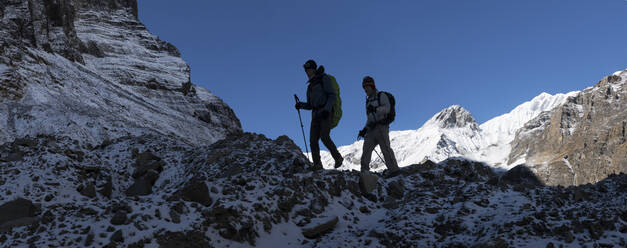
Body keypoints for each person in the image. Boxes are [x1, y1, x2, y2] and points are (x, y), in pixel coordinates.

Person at [295, 59, 343, 170]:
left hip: (326, 112)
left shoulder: (323, 79)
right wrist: (300, 105)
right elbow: (310, 105)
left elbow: (332, 95)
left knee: (324, 136)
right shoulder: (310, 86)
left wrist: (327, 109)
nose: (307, 71)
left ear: (313, 69)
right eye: (306, 70)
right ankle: (317, 164)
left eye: (309, 69)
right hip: (315, 115)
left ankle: (338, 158)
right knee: (313, 140)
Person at [358, 76, 400, 178]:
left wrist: (376, 109)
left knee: (385, 149)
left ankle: (394, 170)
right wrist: (364, 129)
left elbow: (387, 109)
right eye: (364, 88)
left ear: (372, 86)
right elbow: (370, 117)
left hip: (382, 126)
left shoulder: (381, 96)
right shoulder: (368, 101)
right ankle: (364, 172)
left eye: (367, 87)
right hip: (371, 128)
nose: (365, 90)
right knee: (366, 150)